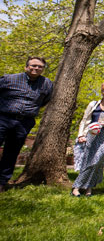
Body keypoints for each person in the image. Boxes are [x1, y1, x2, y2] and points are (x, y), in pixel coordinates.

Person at [0, 57, 53, 191]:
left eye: (40, 66)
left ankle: (2, 182)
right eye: (33, 66)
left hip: (24, 122)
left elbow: (44, 101)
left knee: (11, 153)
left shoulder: (46, 84)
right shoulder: (8, 79)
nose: (36, 68)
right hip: (3, 118)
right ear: (26, 67)